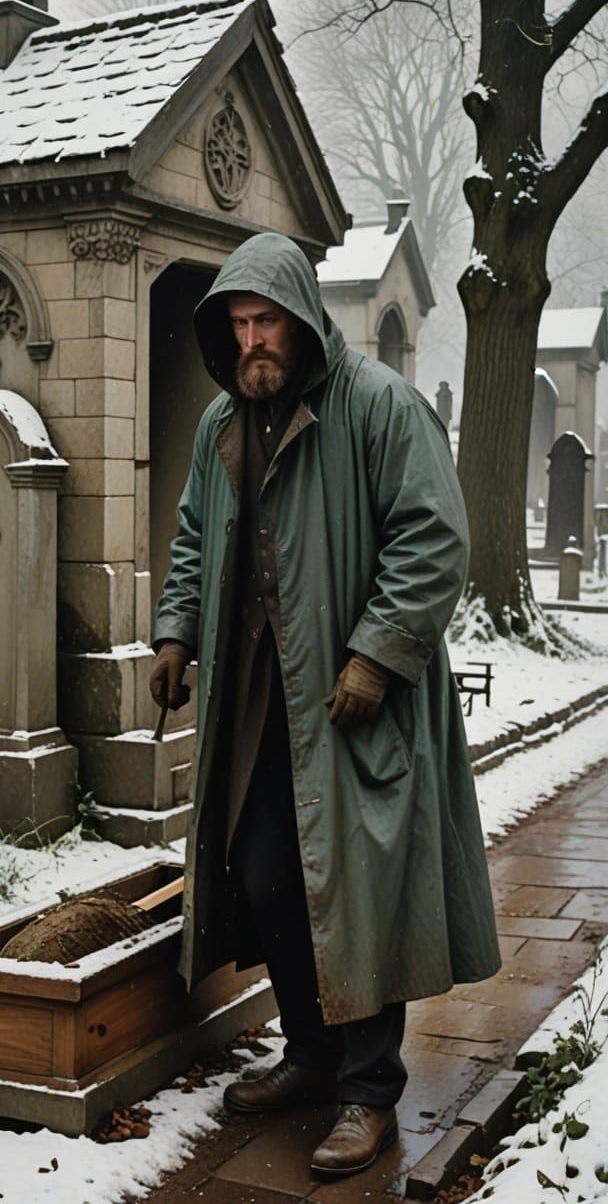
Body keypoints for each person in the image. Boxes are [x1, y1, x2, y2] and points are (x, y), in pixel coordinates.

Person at [150, 233, 500, 1179]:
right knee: (267, 869)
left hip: (353, 699)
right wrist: (175, 632)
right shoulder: (221, 423)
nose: (254, 340)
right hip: (257, 696)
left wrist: (378, 655)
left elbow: (434, 540)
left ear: (301, 321)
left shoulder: (381, 408)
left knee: (360, 883)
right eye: (239, 325)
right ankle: (309, 1053)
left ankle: (368, 1092)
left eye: (266, 322)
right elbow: (192, 535)